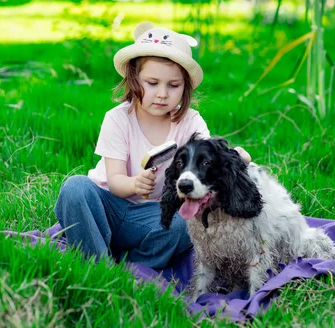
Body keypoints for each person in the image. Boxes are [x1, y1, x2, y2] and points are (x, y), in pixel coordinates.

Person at [54, 21, 251, 269]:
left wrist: (236, 158)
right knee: (74, 188)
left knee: (184, 224)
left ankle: (135, 269)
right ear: (134, 79)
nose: (162, 93)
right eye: (152, 83)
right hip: (107, 208)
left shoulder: (190, 121)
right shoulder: (117, 118)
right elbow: (114, 180)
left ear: (185, 88)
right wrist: (134, 183)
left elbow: (209, 159)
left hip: (154, 217)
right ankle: (98, 266)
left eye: (173, 85)